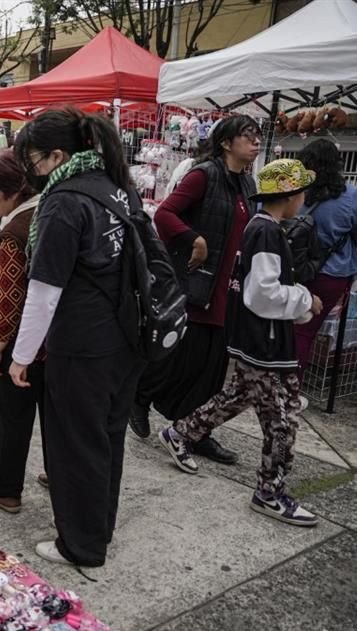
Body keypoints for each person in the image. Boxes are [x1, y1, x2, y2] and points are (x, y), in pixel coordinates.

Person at [8, 108, 146, 568]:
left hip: (82, 342)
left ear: (58, 155)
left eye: (35, 160)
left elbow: (45, 292)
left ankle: (81, 545)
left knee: (75, 447)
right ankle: (97, 528)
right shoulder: (117, 187)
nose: (33, 170)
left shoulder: (64, 200)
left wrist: (20, 356)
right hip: (125, 335)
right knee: (105, 439)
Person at [159, 159, 322, 527]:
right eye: (302, 191)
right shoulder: (266, 232)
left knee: (240, 395)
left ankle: (181, 432)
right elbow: (261, 294)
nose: (305, 198)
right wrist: (303, 300)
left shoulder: (264, 228)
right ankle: (269, 491)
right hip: (264, 343)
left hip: (261, 341)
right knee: (282, 420)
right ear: (290, 194)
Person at [129, 115, 261, 467]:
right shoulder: (204, 175)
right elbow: (165, 214)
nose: (256, 142)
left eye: (258, 136)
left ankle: (195, 431)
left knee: (212, 367)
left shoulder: (248, 185)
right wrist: (194, 239)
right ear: (226, 142)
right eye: (248, 136)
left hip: (228, 288)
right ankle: (139, 398)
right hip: (198, 281)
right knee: (177, 357)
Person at [0, 149, 47, 513]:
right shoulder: (47, 212)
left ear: (11, 190)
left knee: (16, 417)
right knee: (53, 412)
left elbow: (10, 300)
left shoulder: (14, 233)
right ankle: (57, 472)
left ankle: (7, 489)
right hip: (57, 335)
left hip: (23, 340)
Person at [294, 139, 357, 367]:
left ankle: (273, 383)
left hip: (294, 268)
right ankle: (288, 388)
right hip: (331, 273)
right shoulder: (350, 195)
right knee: (304, 331)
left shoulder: (294, 190)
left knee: (287, 327)